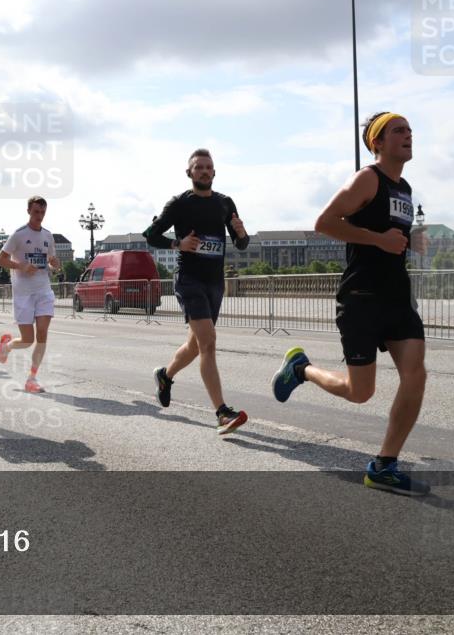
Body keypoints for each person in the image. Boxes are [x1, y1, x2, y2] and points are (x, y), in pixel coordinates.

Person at [272, 112, 429, 496]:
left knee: (417, 374)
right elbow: (324, 221)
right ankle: (302, 368)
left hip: (396, 297)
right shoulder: (367, 178)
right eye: (398, 130)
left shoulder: (404, 188)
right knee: (361, 393)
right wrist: (378, 240)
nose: (408, 135)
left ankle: (384, 465)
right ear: (377, 142)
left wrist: (411, 242)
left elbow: (393, 238)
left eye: (409, 130)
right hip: (361, 298)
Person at [144, 148, 250, 435]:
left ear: (214, 172)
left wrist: (241, 234)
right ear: (189, 172)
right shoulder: (179, 204)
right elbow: (151, 235)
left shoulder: (225, 203)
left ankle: (165, 376)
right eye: (198, 167)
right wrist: (178, 245)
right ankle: (222, 413)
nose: (204, 171)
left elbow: (241, 243)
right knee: (209, 342)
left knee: (195, 345)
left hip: (215, 282)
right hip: (189, 279)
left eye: (208, 167)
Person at [0, 196, 61, 393]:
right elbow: (0, 259)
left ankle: (32, 378)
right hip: (23, 293)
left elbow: (50, 261)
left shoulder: (48, 236)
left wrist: (54, 265)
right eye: (36, 212)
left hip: (43, 290)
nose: (39, 216)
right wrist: (21, 266)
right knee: (27, 340)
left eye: (42, 212)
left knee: (42, 334)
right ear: (29, 211)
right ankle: (6, 346)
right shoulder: (19, 234)